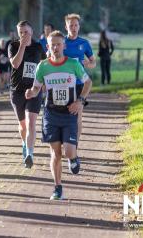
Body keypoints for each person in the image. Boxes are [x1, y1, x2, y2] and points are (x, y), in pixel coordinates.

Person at [25, 30, 91, 200]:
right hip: (51, 114)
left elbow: (88, 82)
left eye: (58, 44)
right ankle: (57, 187)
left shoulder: (73, 64)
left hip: (69, 113)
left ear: (64, 45)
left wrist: (80, 101)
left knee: (69, 151)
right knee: (55, 153)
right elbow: (36, 87)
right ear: (47, 46)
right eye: (52, 44)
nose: (55, 47)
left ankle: (74, 158)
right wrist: (31, 93)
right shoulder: (43, 66)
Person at [8, 20, 46, 168]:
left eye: (26, 32)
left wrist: (43, 85)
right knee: (23, 125)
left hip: (34, 89)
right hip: (17, 90)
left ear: (31, 32)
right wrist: (22, 46)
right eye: (21, 32)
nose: (23, 35)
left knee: (31, 123)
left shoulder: (38, 47)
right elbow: (15, 64)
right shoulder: (13, 46)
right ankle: (24, 143)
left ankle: (30, 153)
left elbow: (44, 65)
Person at [64, 13, 94, 147]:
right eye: (71, 25)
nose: (74, 28)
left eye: (76, 25)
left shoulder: (84, 43)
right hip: (63, 84)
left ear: (79, 27)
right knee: (63, 115)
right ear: (66, 27)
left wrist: (88, 64)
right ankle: (65, 142)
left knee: (77, 116)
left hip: (79, 84)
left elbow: (93, 62)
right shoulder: (61, 42)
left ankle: (74, 144)